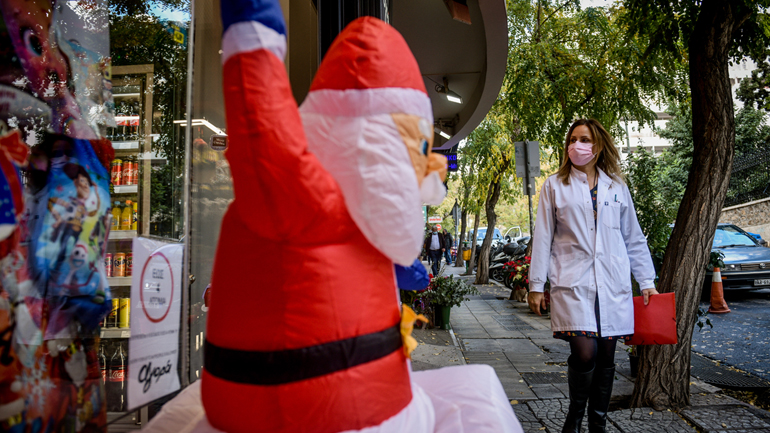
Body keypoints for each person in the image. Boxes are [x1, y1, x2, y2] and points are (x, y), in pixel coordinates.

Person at [527, 119, 658, 433]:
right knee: (586, 354)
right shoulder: (554, 185)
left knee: (608, 356)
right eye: (572, 139)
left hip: (612, 284)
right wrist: (535, 284)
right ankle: (575, 416)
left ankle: (597, 422)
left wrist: (647, 280)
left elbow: (633, 236)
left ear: (598, 145)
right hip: (573, 283)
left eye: (584, 139)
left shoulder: (616, 186)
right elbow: (543, 236)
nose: (577, 145)